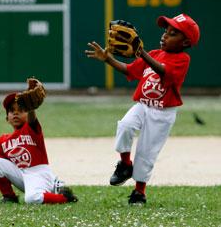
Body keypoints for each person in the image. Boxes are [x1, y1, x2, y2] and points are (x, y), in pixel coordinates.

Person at [85, 13, 200, 204]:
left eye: (173, 33)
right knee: (125, 126)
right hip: (143, 105)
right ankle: (125, 164)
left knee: (146, 152)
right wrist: (107, 59)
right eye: (166, 31)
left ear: (185, 42)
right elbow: (129, 70)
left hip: (163, 113)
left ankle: (139, 192)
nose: (165, 35)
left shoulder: (182, 59)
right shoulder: (154, 54)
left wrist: (142, 53)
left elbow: (163, 71)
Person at [0, 80, 78, 204]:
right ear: (7, 118)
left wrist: (30, 108)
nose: (16, 113)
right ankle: (9, 197)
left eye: (21, 109)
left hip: (39, 173)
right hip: (23, 175)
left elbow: (32, 118)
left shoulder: (30, 128)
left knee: (31, 199)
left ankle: (65, 197)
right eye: (11, 110)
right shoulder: (5, 140)